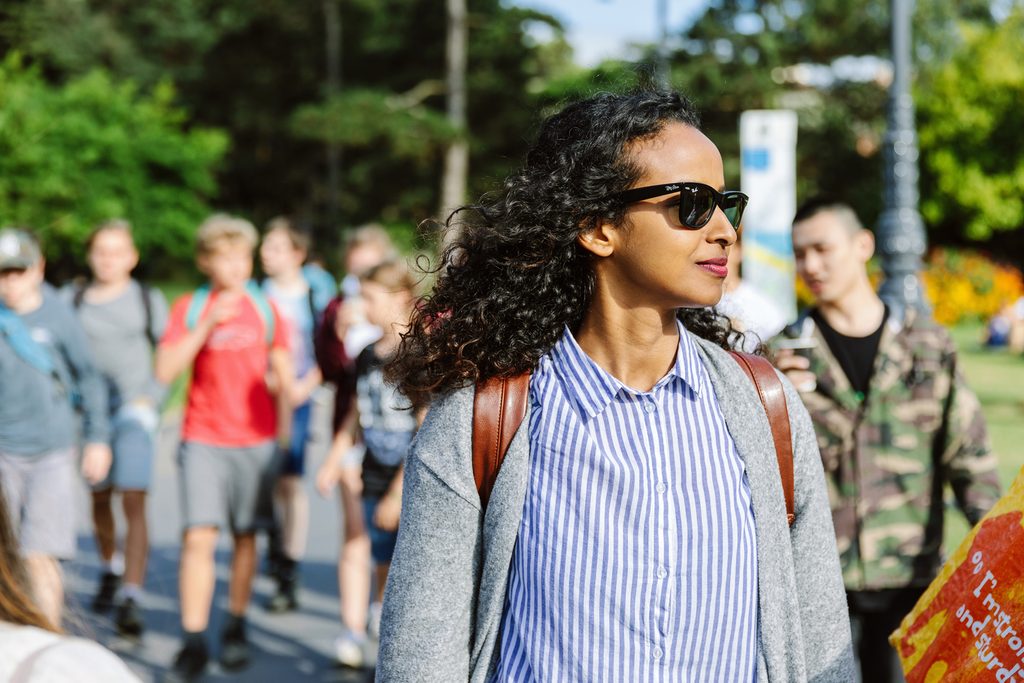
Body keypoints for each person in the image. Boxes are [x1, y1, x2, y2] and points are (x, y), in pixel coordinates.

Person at [377, 90, 855, 681]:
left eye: (727, 205)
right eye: (692, 204)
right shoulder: (485, 419)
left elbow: (821, 644)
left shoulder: (766, 408)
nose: (725, 232)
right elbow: (420, 658)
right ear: (598, 227)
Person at [771, 198, 1002, 683]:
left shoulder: (927, 346)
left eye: (821, 248)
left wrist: (998, 559)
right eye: (799, 253)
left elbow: (970, 461)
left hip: (910, 584)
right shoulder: (781, 356)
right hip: (818, 586)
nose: (809, 265)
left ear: (862, 246)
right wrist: (775, 398)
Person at [155, 215, 293, 681]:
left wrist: (285, 436)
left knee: (245, 538)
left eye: (242, 256)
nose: (235, 266)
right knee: (198, 536)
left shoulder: (267, 309)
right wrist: (207, 324)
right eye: (224, 257)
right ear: (205, 261)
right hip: (203, 438)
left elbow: (284, 376)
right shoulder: (191, 308)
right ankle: (193, 640)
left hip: (255, 440)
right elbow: (165, 371)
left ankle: (234, 626)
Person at [0, 227, 112, 627]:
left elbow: (89, 378)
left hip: (51, 452)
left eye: (18, 271)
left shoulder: (59, 314)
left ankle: (46, 635)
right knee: (5, 554)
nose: (9, 282)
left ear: (37, 269)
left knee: (40, 553)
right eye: (2, 273)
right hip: (4, 452)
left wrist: (98, 439)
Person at [62, 220, 168, 637]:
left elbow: (168, 353)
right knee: (100, 496)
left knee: (134, 498)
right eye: (101, 251)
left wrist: (153, 399)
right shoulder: (73, 299)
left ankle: (133, 593)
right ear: (91, 256)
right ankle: (110, 565)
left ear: (132, 257)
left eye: (117, 251)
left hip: (133, 412)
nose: (108, 260)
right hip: (89, 416)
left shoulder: (145, 299)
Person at [316, 260, 420, 668]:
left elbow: (424, 425)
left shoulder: (419, 354)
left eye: (371, 298)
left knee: (397, 559)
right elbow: (355, 413)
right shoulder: (365, 355)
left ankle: (390, 630)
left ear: (401, 299)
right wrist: (333, 457)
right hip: (371, 469)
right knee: (366, 548)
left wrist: (398, 491)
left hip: (405, 479)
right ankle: (357, 629)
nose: (362, 307)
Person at [258, 216, 334, 612]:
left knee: (291, 479)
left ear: (297, 254)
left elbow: (330, 350)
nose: (265, 255)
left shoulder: (315, 295)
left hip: (300, 399)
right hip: (262, 399)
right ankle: (273, 538)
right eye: (264, 248)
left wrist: (307, 385)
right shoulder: (257, 294)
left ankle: (289, 566)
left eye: (274, 248)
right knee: (267, 478)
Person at [0, 477, 140, 682]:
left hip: (51, 454)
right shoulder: (68, 667)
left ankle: (128, 590)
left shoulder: (63, 669)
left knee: (41, 556)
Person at [716, 237, 788, 351]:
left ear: (739, 250)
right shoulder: (693, 305)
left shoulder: (765, 307)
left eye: (723, 245)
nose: (715, 253)